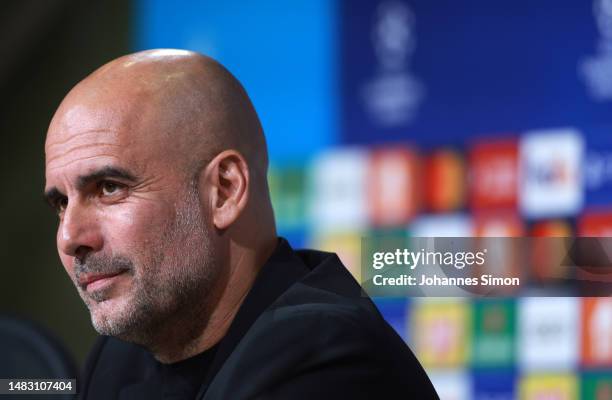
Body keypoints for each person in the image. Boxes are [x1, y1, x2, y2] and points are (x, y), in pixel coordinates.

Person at [43, 49, 438, 399]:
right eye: (61, 203)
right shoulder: (119, 358)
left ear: (225, 191)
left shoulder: (328, 358)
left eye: (109, 188)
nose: (70, 237)